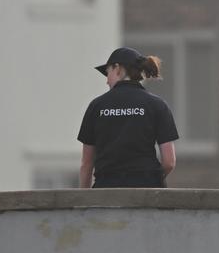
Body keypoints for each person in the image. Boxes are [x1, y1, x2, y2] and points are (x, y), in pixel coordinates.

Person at [77, 47, 179, 188]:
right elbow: (169, 162)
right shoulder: (157, 105)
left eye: (107, 73)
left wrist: (85, 198)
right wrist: (151, 180)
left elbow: (86, 164)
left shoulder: (97, 106)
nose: (107, 81)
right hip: (147, 192)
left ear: (117, 68)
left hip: (106, 191)